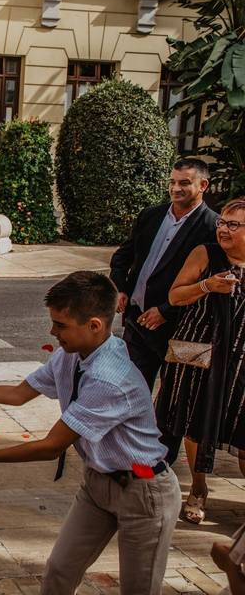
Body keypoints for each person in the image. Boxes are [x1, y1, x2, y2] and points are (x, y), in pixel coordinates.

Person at [0, 271, 181, 595]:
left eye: (61, 325)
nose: (52, 332)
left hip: (144, 490)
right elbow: (19, 394)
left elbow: (51, 447)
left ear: (95, 325)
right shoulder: (68, 355)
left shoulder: (110, 379)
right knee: (59, 571)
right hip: (98, 483)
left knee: (139, 588)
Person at [155, 197, 245, 525]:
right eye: (222, 222)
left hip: (240, 360)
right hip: (197, 352)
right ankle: (198, 487)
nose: (223, 229)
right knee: (195, 422)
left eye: (233, 224)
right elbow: (174, 296)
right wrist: (208, 286)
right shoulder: (204, 254)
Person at [109, 158, 219, 393]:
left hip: (180, 328)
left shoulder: (213, 227)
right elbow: (122, 258)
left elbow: (207, 287)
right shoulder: (150, 216)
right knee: (130, 392)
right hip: (137, 322)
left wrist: (165, 311)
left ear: (203, 186)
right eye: (172, 182)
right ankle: (130, 430)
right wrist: (121, 289)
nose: (175, 188)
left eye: (184, 183)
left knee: (175, 397)